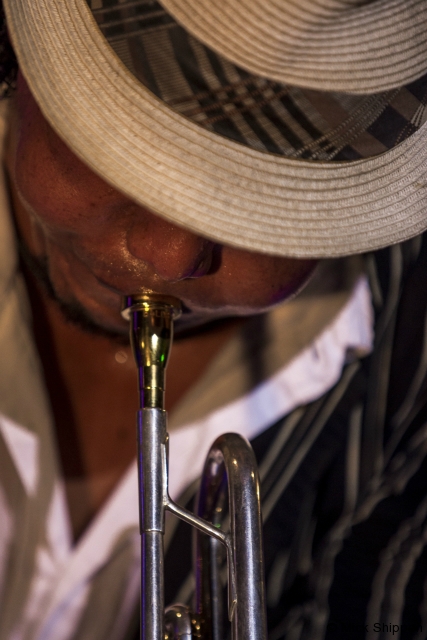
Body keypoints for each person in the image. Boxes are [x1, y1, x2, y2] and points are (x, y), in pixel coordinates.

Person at [0, 0, 426, 638]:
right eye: (130, 153)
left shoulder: (412, 366)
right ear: (15, 59)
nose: (167, 256)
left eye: (264, 201)